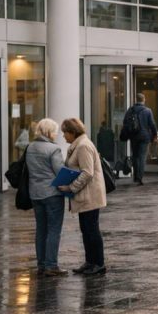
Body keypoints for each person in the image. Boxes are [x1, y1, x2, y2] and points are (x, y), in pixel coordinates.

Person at [59, 118, 107, 276]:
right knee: (86, 229)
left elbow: (87, 172)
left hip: (90, 195)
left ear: (73, 132)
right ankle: (90, 261)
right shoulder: (77, 145)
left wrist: (71, 188)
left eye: (65, 133)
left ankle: (98, 263)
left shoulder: (83, 146)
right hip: (84, 194)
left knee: (91, 229)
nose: (63, 136)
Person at [25, 118, 67, 277]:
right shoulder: (53, 149)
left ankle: (41, 265)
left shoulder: (30, 147)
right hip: (52, 194)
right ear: (49, 132)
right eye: (55, 131)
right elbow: (60, 172)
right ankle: (51, 265)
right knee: (54, 229)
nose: (56, 134)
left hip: (35, 194)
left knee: (41, 230)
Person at [121, 93, 158, 185]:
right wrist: (155, 134)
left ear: (136, 99)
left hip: (133, 136)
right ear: (143, 100)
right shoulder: (148, 110)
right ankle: (139, 177)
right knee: (142, 157)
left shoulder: (130, 110)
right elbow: (152, 124)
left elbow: (125, 122)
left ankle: (135, 177)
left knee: (135, 156)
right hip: (144, 137)